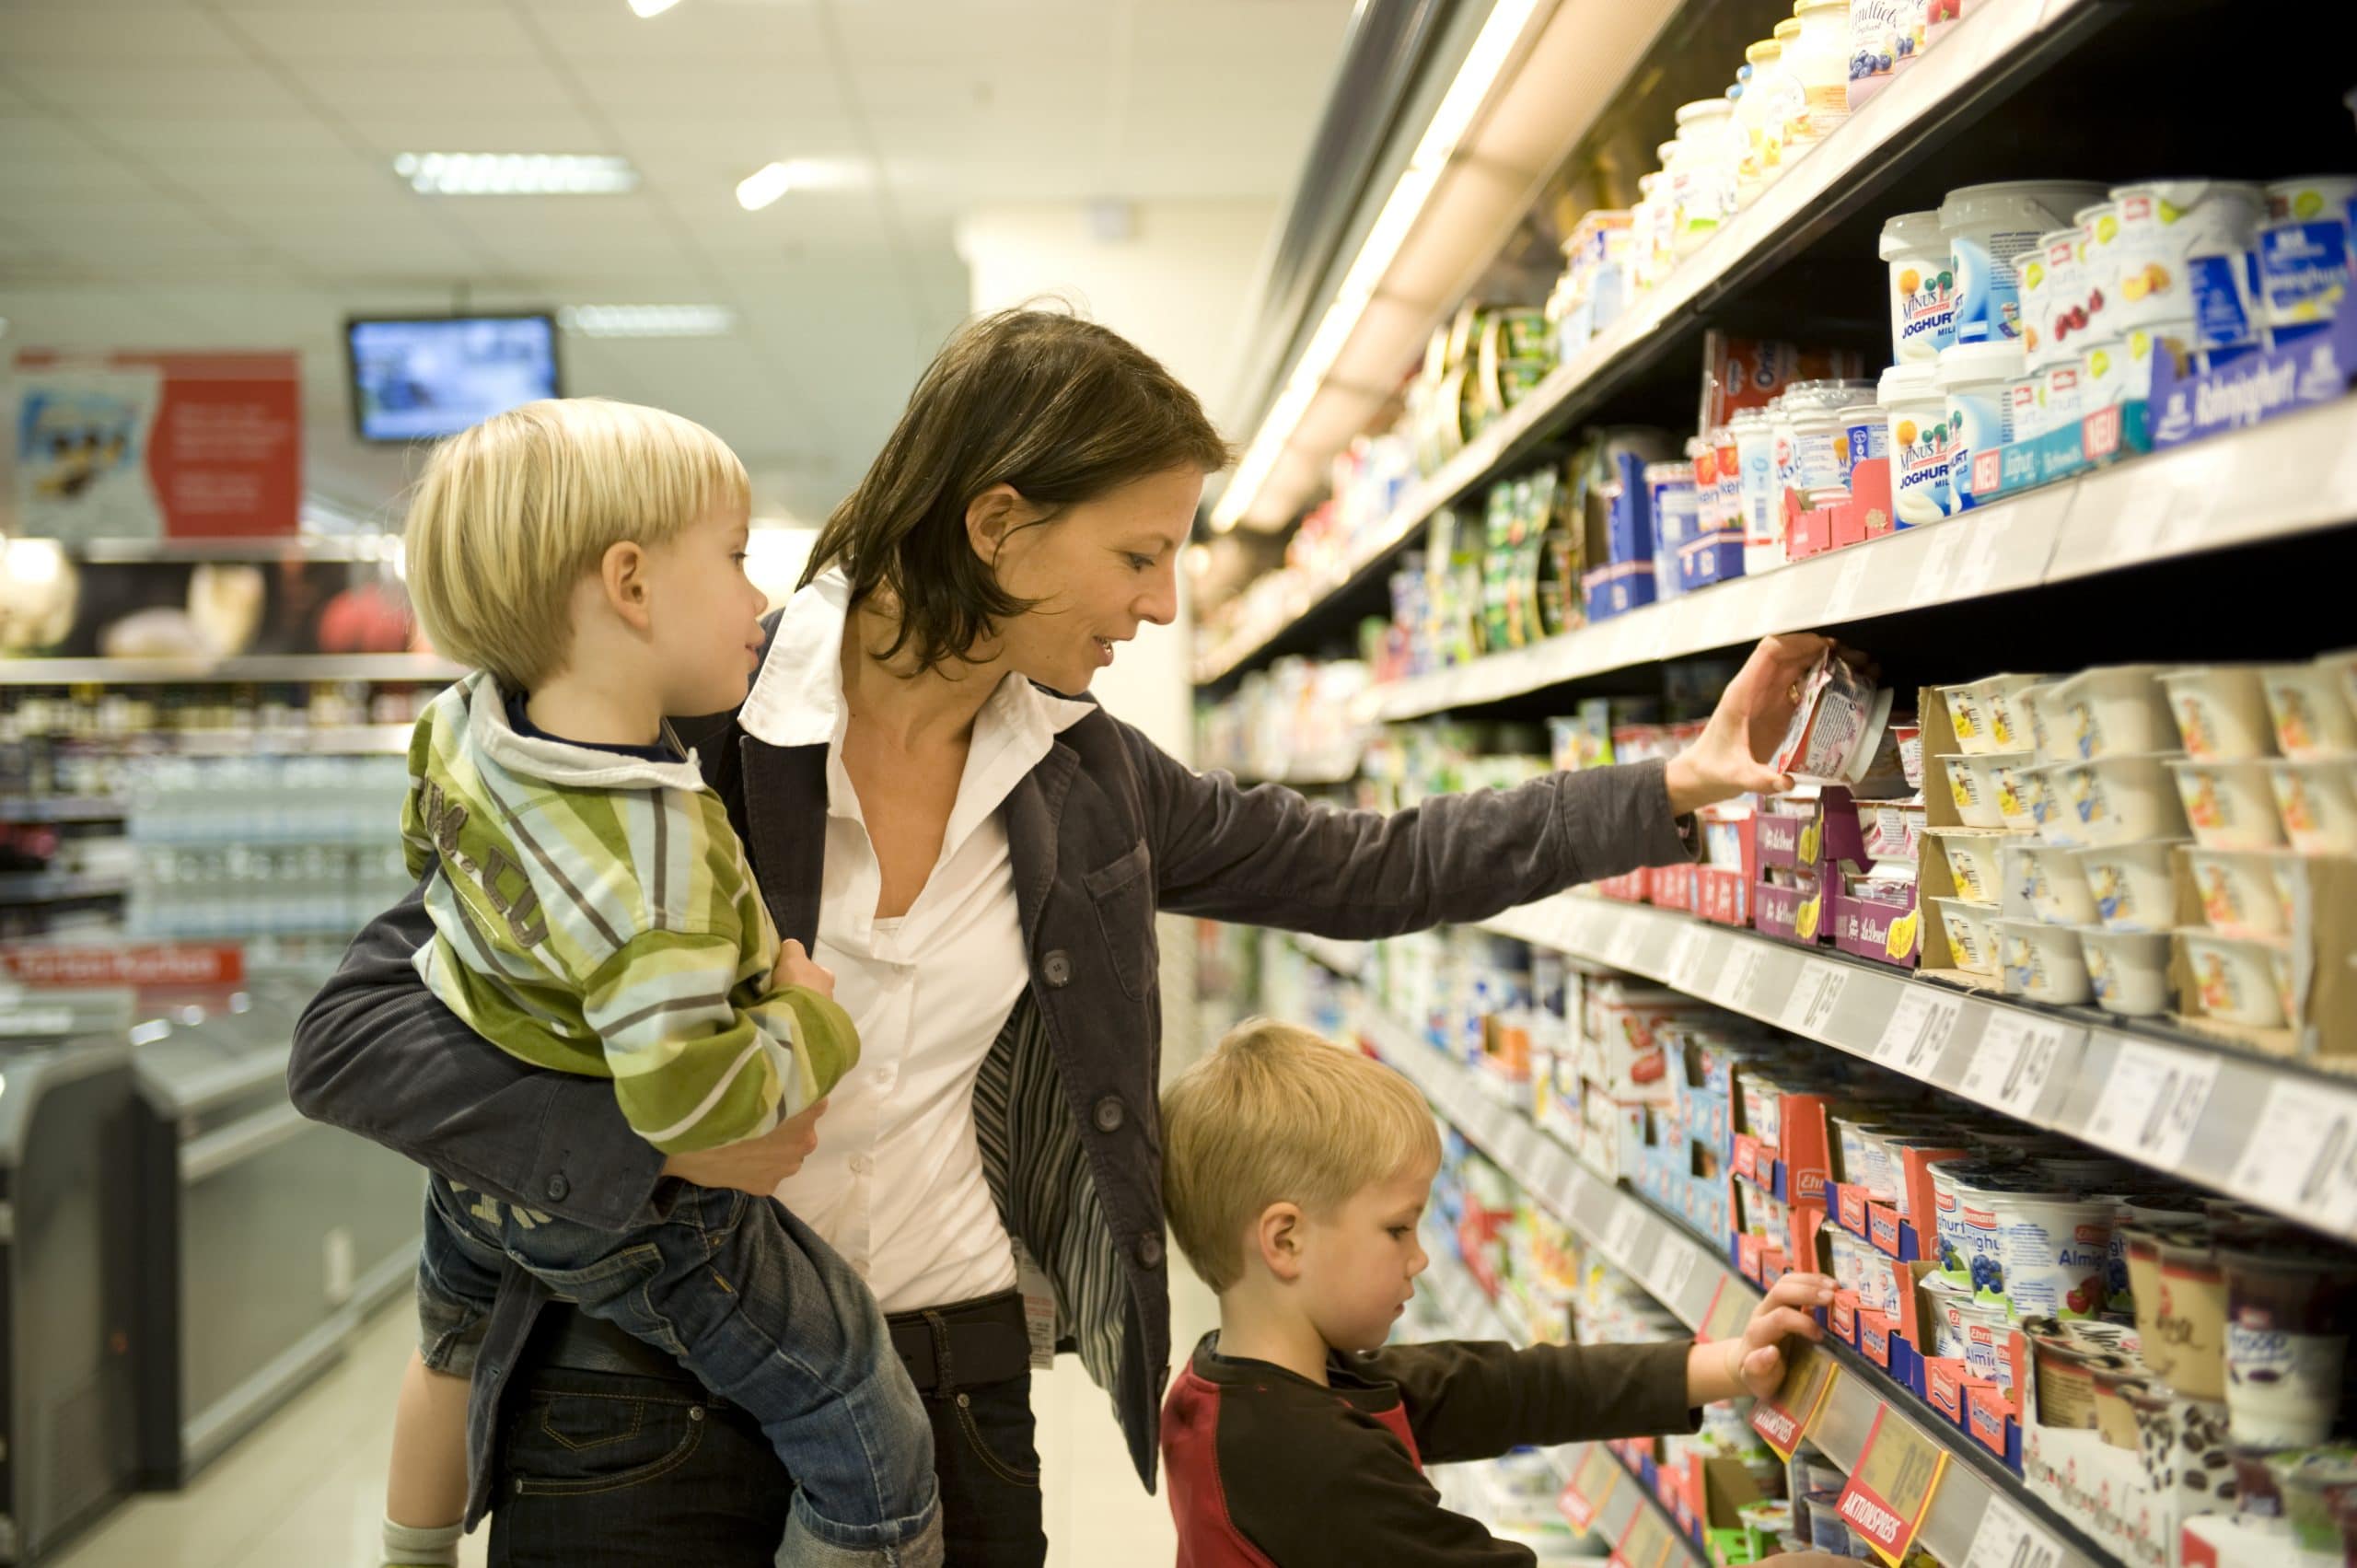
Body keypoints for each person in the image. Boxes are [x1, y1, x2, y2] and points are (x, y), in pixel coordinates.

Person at [290, 304, 1834, 1567]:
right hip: (640, 1390)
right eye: (1138, 553)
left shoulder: (1083, 776)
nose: (1163, 604)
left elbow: (1368, 865)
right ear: (1002, 526)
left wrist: (1664, 788)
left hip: (953, 1390)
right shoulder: (686, 725)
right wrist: (660, 1151)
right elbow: (359, 1034)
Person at [376, 399, 939, 1568]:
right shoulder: (657, 856)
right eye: (734, 557)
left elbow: (427, 875)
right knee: (858, 1407)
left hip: (470, 1173)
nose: (758, 597)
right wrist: (810, 1018)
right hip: (638, 1224)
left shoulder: (464, 725)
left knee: (447, 1344)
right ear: (629, 583)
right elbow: (690, 1105)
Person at [1156, 1019, 1832, 1566]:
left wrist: (1727, 1365)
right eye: (1398, 1228)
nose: (1419, 1256)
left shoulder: (1244, 1380)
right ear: (1285, 1241)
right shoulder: (1305, 1463)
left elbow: (1509, 1386)